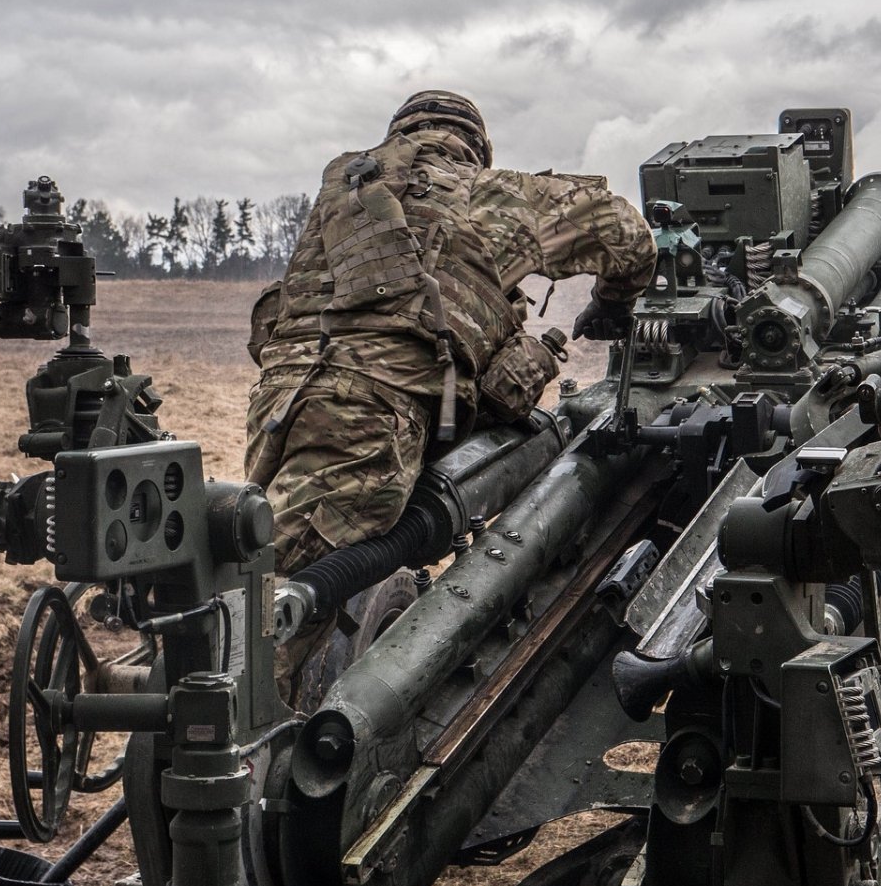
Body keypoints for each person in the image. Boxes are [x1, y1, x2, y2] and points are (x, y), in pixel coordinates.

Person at [244, 89, 655, 580]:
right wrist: (611, 303)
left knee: (254, 552)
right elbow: (629, 235)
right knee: (280, 598)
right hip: (370, 411)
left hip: (279, 399)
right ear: (475, 147)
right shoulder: (495, 192)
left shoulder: (346, 198)